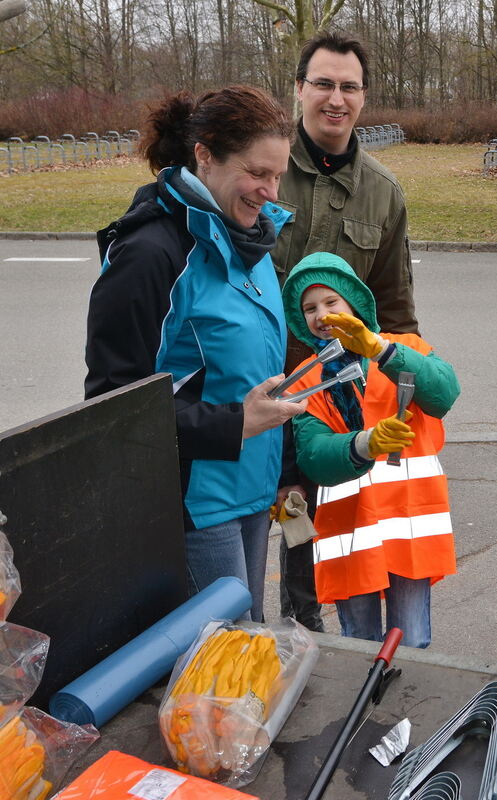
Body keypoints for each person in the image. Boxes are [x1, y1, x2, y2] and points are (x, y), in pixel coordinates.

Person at [84, 86, 307, 623]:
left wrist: (284, 469)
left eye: (279, 175)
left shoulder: (249, 239)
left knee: (244, 655)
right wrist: (235, 424)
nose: (271, 192)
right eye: (258, 173)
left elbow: (252, 375)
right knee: (216, 674)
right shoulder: (149, 255)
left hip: (251, 490)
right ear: (205, 155)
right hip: (194, 507)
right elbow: (113, 406)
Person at [273, 31, 418, 633]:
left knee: (332, 529)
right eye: (324, 84)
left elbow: (398, 310)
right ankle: (279, 634)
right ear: (300, 89)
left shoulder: (383, 194)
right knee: (269, 525)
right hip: (262, 390)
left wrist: (407, 396)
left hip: (340, 403)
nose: (336, 98)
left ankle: (330, 642)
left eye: (349, 87)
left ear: (363, 97)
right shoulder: (266, 171)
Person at [281, 252, 460, 646]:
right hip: (352, 532)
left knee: (411, 643)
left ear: (354, 304)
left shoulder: (403, 347)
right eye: (309, 308)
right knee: (360, 644)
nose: (320, 315)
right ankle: (366, 711)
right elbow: (312, 454)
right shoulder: (308, 379)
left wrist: (380, 350)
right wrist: (365, 443)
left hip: (409, 527)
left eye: (331, 302)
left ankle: (403, 709)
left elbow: (443, 393)